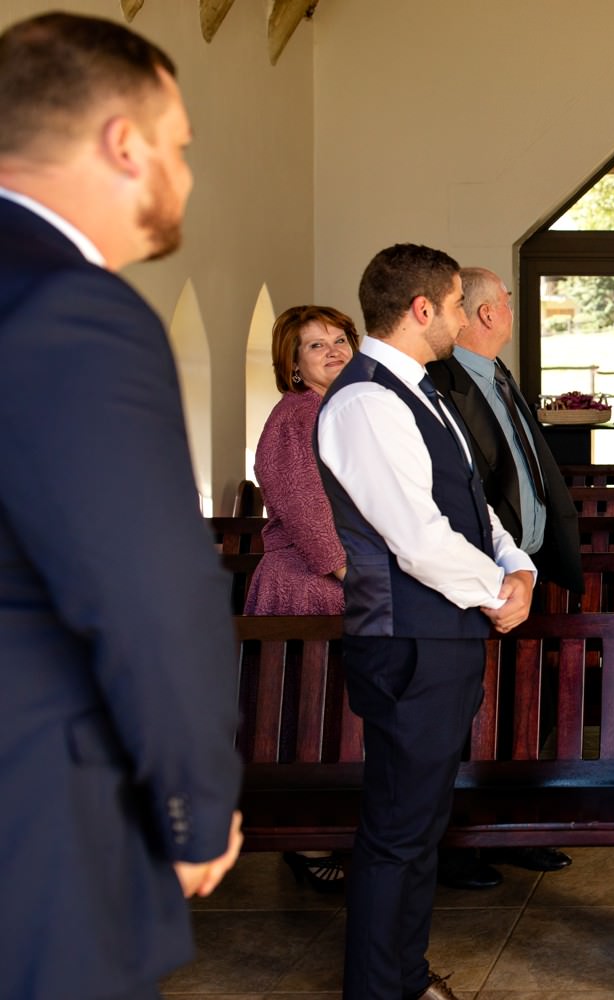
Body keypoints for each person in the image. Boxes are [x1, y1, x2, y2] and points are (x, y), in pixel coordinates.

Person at [0, 12, 243, 998]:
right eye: (180, 148)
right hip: (36, 819)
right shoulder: (71, 307)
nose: (185, 177)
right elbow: (151, 593)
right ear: (123, 144)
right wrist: (192, 804)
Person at [316, 243, 537, 1000]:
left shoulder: (421, 389)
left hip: (441, 635)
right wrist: (495, 591)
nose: (460, 317)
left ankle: (403, 976)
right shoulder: (367, 400)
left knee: (420, 826)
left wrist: (519, 567)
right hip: (406, 640)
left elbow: (469, 507)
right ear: (421, 310)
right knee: (398, 832)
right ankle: (381, 990)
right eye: (451, 305)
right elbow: (416, 536)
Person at [426, 265, 579, 888]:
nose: (506, 313)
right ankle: (460, 842)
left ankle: (513, 829)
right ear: (489, 314)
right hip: (478, 575)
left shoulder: (497, 374)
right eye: (506, 304)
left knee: (522, 704)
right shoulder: (442, 381)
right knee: (469, 713)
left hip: (525, 567)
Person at [245, 305, 357, 892]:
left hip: (341, 585)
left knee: (341, 713)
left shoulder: (340, 408)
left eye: (340, 340)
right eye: (316, 346)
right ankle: (308, 838)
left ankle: (338, 827)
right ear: (292, 363)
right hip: (308, 587)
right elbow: (308, 514)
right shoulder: (295, 418)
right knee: (306, 717)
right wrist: (352, 576)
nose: (334, 351)